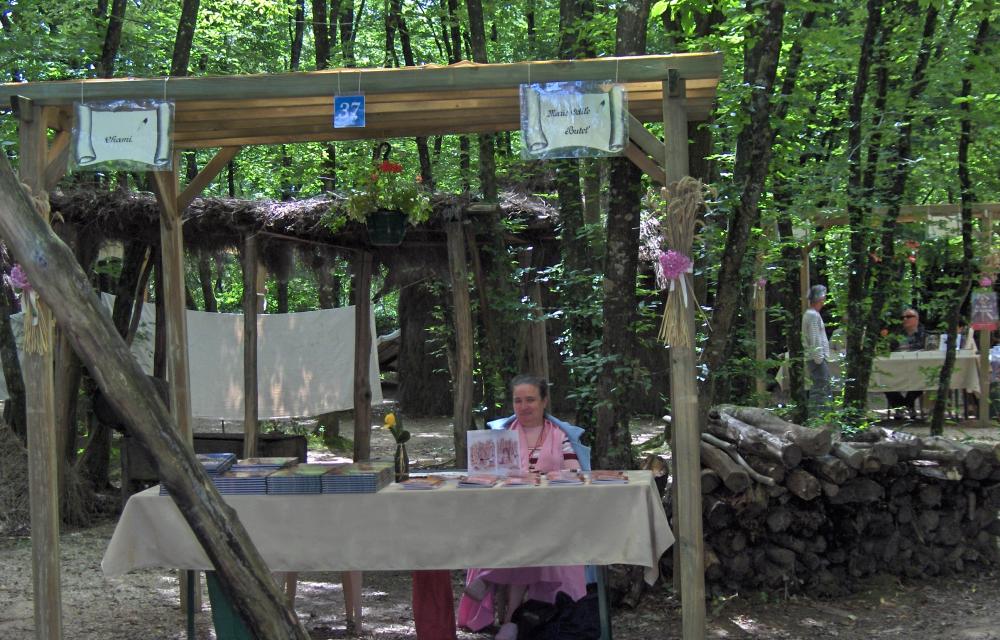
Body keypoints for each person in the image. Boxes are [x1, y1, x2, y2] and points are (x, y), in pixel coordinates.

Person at [456, 374, 591, 640]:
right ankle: (511, 622)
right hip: (506, 513)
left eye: (530, 399)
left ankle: (490, 578)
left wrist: (542, 479)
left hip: (551, 513)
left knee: (532, 537)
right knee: (518, 535)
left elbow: (575, 473)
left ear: (544, 401)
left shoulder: (559, 435)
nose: (524, 406)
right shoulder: (499, 436)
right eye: (518, 400)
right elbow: (484, 476)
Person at [885, 307, 927, 420]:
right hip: (897, 367)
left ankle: (904, 406)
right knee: (884, 379)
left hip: (918, 367)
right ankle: (903, 406)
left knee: (923, 378)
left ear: (916, 319)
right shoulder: (896, 334)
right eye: (903, 317)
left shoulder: (925, 334)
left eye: (908, 317)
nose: (905, 319)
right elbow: (888, 349)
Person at [802, 284, 831, 419]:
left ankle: (822, 415)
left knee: (822, 386)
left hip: (816, 357)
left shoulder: (813, 314)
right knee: (819, 387)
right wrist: (819, 358)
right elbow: (815, 339)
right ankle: (816, 417)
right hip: (816, 358)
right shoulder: (812, 315)